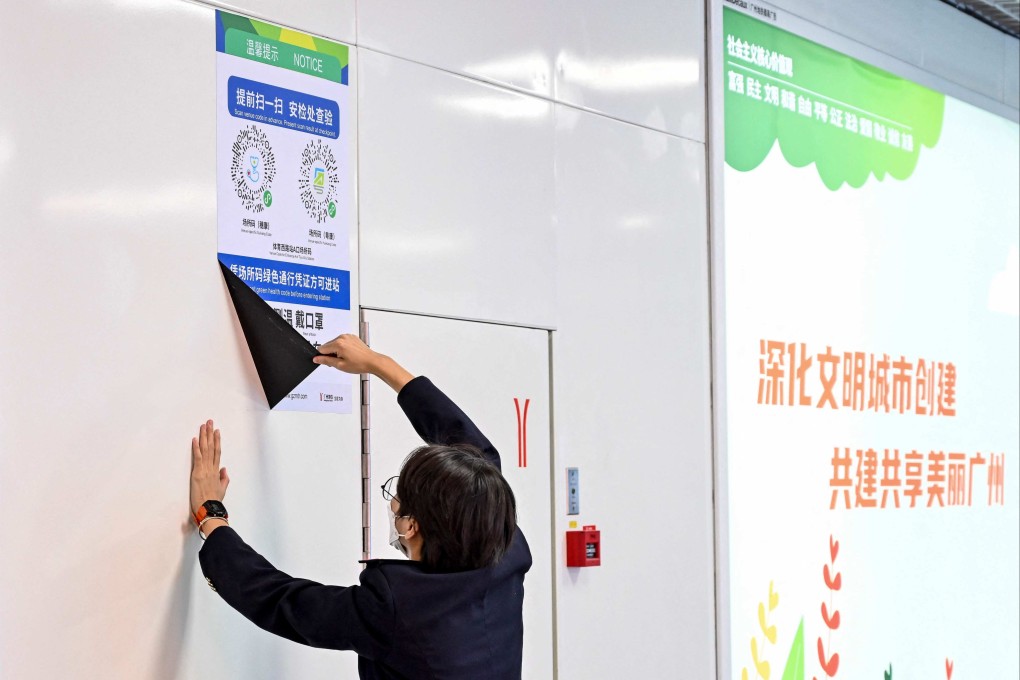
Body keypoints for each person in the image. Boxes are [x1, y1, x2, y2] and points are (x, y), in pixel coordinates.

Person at [190, 334, 531, 679]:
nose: (394, 501)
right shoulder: (502, 547)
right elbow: (479, 459)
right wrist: (377, 363)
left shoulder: (397, 606)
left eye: (397, 493)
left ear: (411, 525)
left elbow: (281, 601)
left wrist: (211, 517)